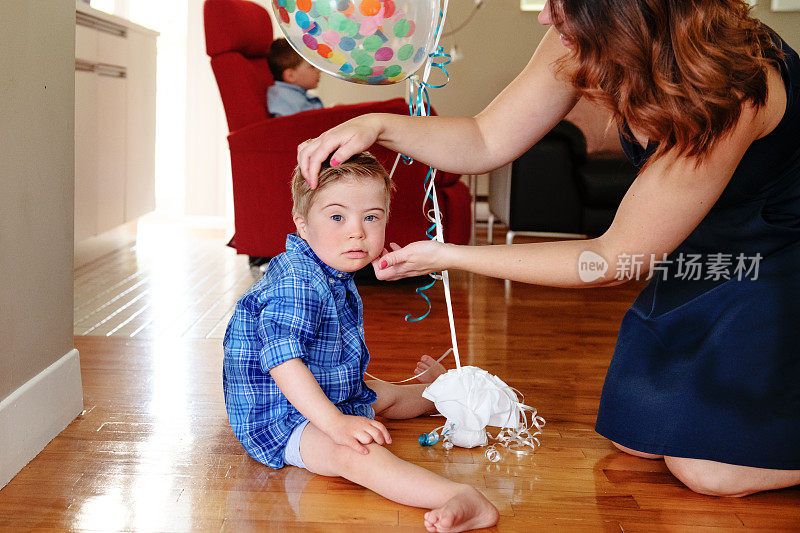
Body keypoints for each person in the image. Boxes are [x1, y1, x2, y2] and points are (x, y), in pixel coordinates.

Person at [296, 0, 800, 497]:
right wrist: (380, 126)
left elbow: (609, 260)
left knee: (709, 471)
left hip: (779, 263)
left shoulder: (734, 90)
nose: (544, 14)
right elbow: (484, 138)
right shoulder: (578, 36)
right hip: (701, 255)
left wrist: (450, 255)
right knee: (641, 440)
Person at [222, 152, 499, 533]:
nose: (357, 231)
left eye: (371, 217)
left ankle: (444, 391)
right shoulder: (296, 283)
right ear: (302, 225)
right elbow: (283, 364)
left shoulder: (327, 267)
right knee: (353, 453)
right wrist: (335, 423)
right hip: (282, 418)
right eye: (337, 217)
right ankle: (456, 496)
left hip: (328, 388)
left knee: (383, 394)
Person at [266, 38, 324, 117]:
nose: (319, 70)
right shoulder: (281, 95)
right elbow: (289, 124)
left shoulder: (296, 95)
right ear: (290, 76)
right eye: (312, 66)